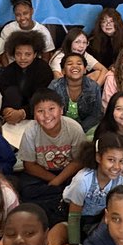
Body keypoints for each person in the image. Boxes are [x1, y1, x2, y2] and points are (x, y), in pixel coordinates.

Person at [48, 133, 123, 245]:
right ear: (98, 158)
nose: (117, 167)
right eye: (111, 160)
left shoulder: (121, 182)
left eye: (121, 161)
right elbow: (74, 217)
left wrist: (96, 241)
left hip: (95, 222)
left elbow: (107, 215)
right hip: (68, 217)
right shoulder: (83, 180)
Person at [14, 89, 86, 221]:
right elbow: (29, 165)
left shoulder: (74, 128)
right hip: (42, 172)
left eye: (51, 109)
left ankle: (58, 204)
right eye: (40, 111)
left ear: (61, 110)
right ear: (34, 114)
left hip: (68, 171)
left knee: (81, 186)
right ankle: (56, 201)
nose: (47, 115)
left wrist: (58, 180)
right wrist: (53, 180)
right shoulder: (31, 130)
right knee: (26, 189)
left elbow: (78, 162)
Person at [0, 31, 55, 125]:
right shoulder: (8, 71)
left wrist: (23, 113)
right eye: (18, 54)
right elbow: (2, 95)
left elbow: (43, 98)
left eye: (28, 54)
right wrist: (6, 110)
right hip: (11, 118)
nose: (22, 58)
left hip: (37, 116)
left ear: (35, 54)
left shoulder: (44, 70)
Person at [48, 52, 103, 133]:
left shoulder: (94, 87)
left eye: (79, 63)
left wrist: (78, 129)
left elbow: (96, 115)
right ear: (63, 71)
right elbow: (49, 111)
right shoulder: (54, 86)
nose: (75, 66)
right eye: (70, 64)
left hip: (87, 128)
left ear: (84, 70)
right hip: (60, 127)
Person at [88, 7, 123, 78]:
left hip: (120, 73)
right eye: (104, 21)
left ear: (118, 23)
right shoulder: (93, 38)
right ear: (100, 24)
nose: (108, 24)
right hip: (100, 74)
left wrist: (117, 66)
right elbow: (89, 60)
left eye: (112, 21)